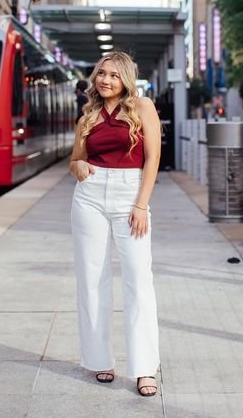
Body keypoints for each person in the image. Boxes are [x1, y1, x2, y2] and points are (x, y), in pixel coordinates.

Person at [69, 50, 161, 397]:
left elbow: (152, 158)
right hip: (89, 196)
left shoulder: (142, 107)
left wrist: (141, 204)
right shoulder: (88, 116)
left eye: (113, 75)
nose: (105, 80)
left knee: (139, 280)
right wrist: (78, 167)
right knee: (92, 279)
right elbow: (76, 159)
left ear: (125, 79)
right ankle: (99, 360)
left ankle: (144, 368)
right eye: (101, 74)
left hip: (130, 194)